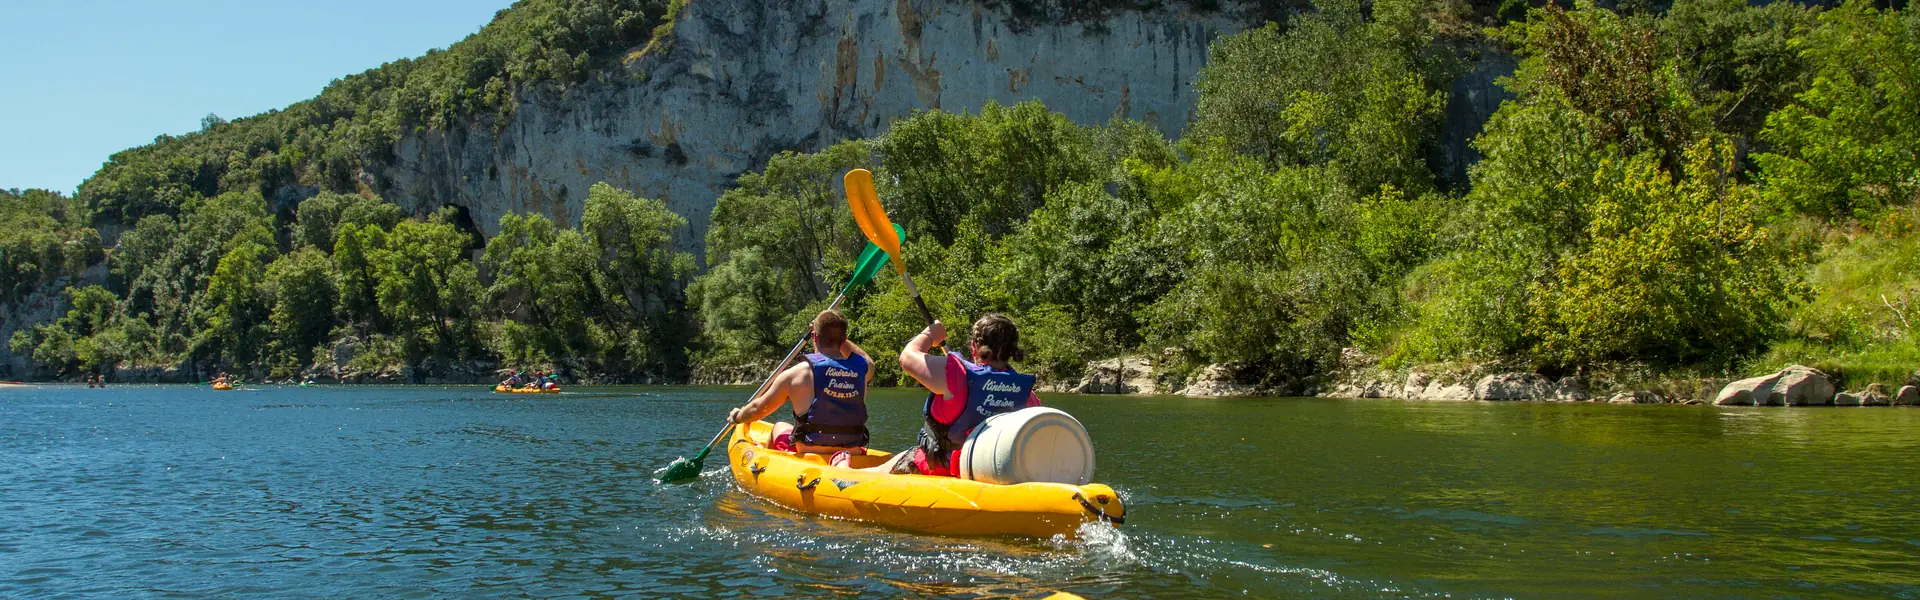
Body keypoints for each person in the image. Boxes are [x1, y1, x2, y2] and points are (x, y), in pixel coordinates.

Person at [872, 313, 1041, 477]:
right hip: (990, 473)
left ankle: (844, 466)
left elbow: (907, 358)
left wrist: (930, 334)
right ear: (1012, 351)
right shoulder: (1025, 393)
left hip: (938, 468)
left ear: (974, 347)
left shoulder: (956, 373)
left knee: (875, 472)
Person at [727, 309, 872, 468]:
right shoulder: (862, 369)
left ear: (815, 337)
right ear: (844, 340)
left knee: (779, 427)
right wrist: (839, 337)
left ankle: (767, 469)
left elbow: (758, 409)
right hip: (853, 453)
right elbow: (867, 360)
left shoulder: (796, 374)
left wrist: (737, 416)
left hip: (811, 453)